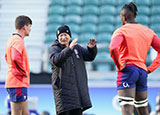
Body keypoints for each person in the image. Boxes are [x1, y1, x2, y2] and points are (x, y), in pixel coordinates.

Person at [109, 2, 160, 115]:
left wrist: (119, 65)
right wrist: (150, 68)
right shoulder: (148, 31)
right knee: (143, 110)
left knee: (127, 109)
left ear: (124, 17)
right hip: (142, 71)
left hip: (128, 70)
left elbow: (113, 48)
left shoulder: (121, 30)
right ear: (134, 16)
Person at [49, 25, 97, 115]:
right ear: (57, 38)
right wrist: (69, 49)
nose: (63, 38)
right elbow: (56, 60)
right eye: (60, 36)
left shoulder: (77, 48)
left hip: (77, 94)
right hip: (63, 94)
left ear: (70, 36)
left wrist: (91, 48)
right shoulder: (54, 48)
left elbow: (89, 57)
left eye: (65, 35)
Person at [5, 15, 32, 115]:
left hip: (16, 82)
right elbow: (15, 57)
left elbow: (6, 57)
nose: (30, 29)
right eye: (29, 26)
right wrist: (23, 72)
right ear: (24, 27)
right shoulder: (18, 40)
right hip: (17, 83)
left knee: (25, 113)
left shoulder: (12, 39)